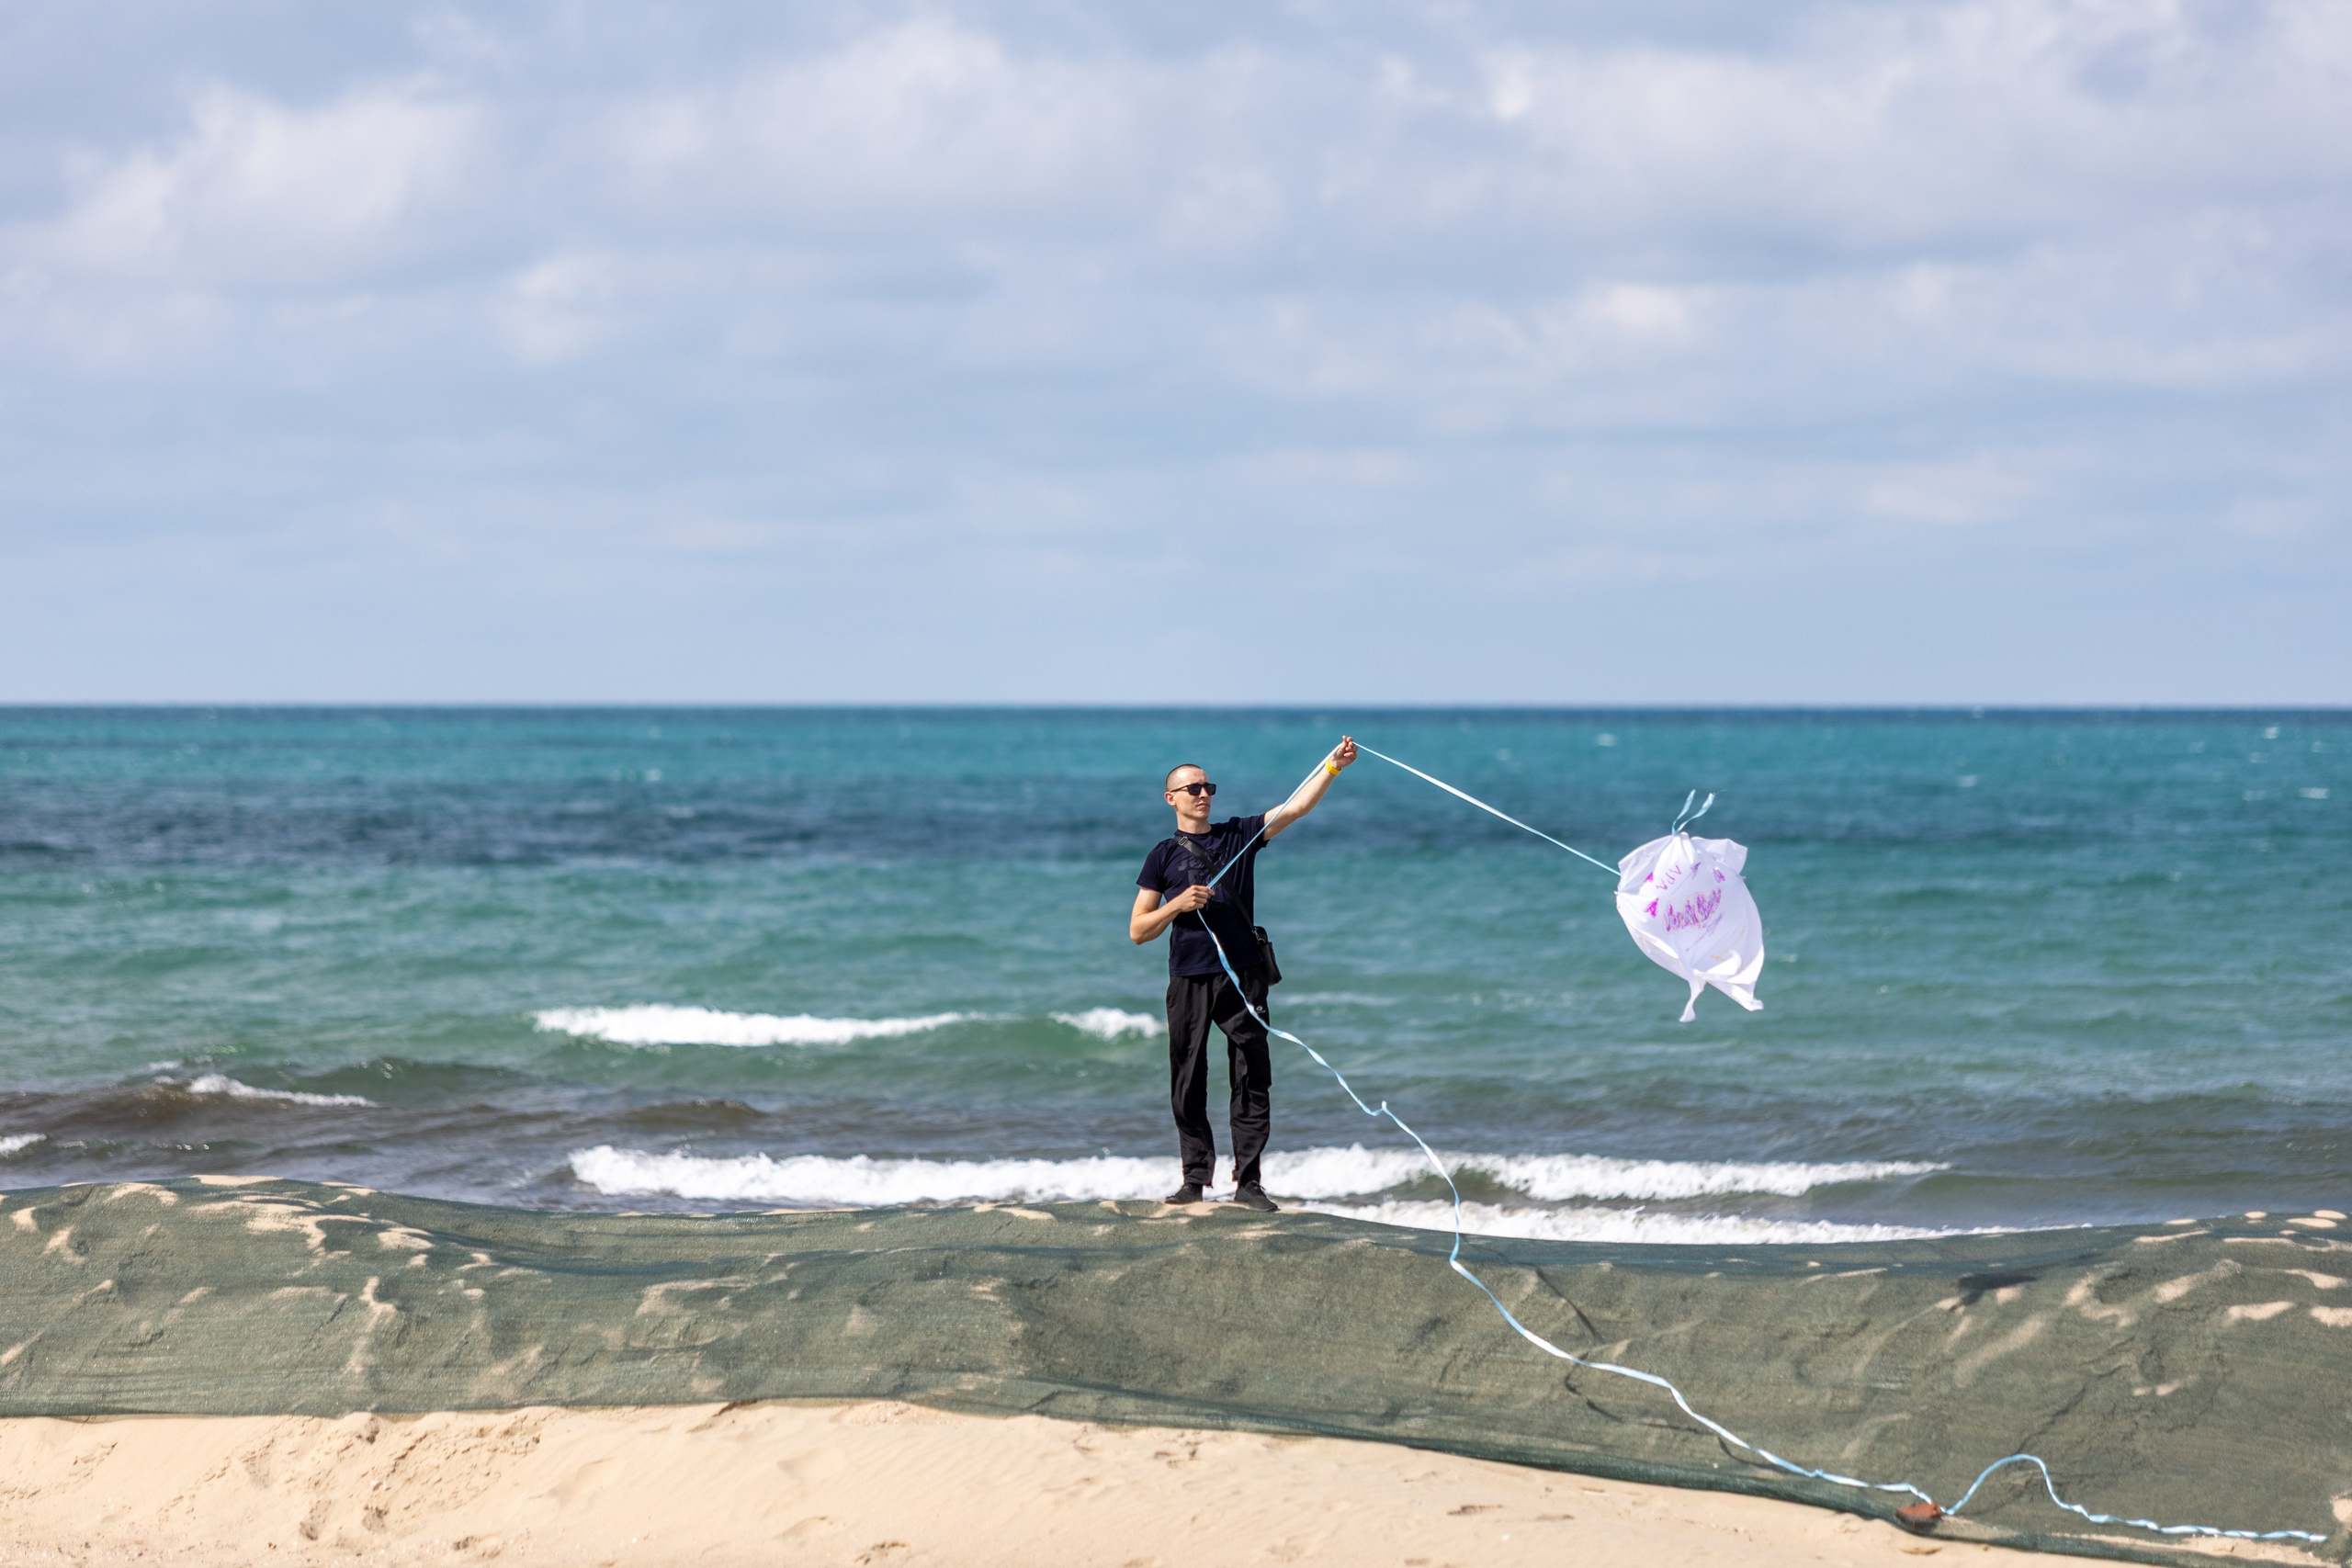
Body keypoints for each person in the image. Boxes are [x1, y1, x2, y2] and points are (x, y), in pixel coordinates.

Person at [1130, 739, 1358, 1210]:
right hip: (1189, 978)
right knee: (1188, 1078)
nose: (1203, 793)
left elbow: (1295, 808)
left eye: (1208, 786)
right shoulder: (1162, 856)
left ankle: (1249, 1182)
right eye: (1192, 788)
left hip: (1243, 976)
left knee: (1252, 1075)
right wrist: (1177, 904)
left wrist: (1332, 768)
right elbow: (1138, 930)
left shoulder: (1238, 834)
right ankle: (1194, 1180)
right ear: (1171, 798)